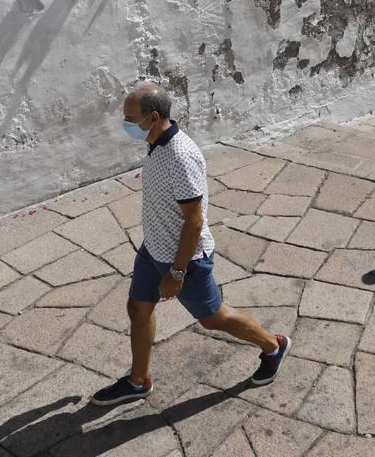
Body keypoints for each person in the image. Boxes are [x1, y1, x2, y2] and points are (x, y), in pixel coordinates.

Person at [91, 84, 290, 406]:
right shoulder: (156, 142)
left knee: (213, 318)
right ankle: (138, 381)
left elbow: (194, 221)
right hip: (153, 247)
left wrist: (178, 272)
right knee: (138, 309)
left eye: (130, 118)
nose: (125, 124)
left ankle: (273, 345)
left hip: (183, 260)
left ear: (153, 117)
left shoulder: (180, 157)